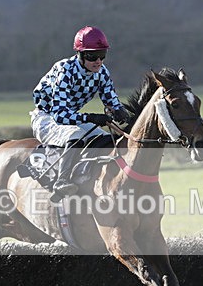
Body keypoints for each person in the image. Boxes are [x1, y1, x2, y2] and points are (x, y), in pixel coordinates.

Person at [30, 26, 130, 200]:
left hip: (70, 117)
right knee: (75, 136)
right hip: (46, 118)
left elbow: (112, 101)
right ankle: (61, 181)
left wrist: (121, 112)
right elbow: (60, 115)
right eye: (92, 56)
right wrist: (90, 117)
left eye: (102, 55)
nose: (98, 61)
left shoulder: (102, 72)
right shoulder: (64, 71)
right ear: (81, 55)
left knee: (105, 138)